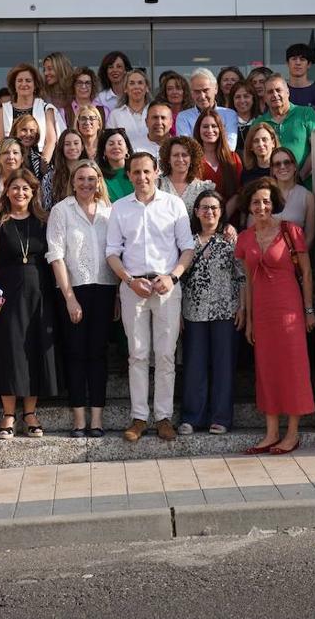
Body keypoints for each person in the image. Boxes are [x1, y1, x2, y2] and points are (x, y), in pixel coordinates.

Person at [106, 152, 195, 442]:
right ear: (129, 175)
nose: (142, 178)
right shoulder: (120, 208)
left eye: (147, 171)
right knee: (138, 355)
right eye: (136, 172)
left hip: (167, 285)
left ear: (156, 172)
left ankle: (164, 417)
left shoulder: (173, 204)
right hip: (134, 287)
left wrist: (173, 276)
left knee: (167, 355)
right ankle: (139, 417)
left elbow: (187, 249)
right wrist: (130, 281)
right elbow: (112, 253)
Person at [235, 178, 315, 454]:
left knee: (292, 367)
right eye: (256, 202)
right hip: (262, 310)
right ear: (249, 205)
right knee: (266, 369)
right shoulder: (245, 238)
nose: (261, 206)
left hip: (289, 307)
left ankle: (292, 433)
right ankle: (271, 433)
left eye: (266, 201)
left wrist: (308, 310)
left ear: (275, 204)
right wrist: (248, 317)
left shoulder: (290, 230)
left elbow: (306, 273)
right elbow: (246, 280)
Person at [0, 169, 59, 439]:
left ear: (33, 191)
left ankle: (30, 412)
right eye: (15, 188)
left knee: (34, 349)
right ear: (7, 191)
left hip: (40, 293)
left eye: (26, 188)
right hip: (9, 294)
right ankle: (8, 414)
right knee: (10, 352)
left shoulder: (44, 221)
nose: (20, 193)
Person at [46, 161, 118, 437]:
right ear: (73, 182)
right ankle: (79, 419)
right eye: (81, 179)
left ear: (99, 181)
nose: (87, 184)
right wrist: (69, 298)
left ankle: (97, 419)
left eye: (92, 178)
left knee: (98, 354)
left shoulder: (110, 213)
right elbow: (56, 255)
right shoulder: (61, 211)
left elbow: (116, 254)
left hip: (104, 289)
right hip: (72, 289)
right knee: (76, 353)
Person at [180, 190, 244, 436]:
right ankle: (192, 417)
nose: (209, 212)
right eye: (204, 207)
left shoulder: (229, 241)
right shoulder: (187, 242)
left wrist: (243, 307)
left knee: (223, 365)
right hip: (193, 312)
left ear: (221, 212)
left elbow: (241, 277)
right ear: (196, 212)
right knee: (194, 365)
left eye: (214, 208)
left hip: (225, 311)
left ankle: (220, 417)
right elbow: (180, 279)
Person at [0, 63, 62, 160]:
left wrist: (42, 169)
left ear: (35, 85)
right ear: (14, 85)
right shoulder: (3, 111)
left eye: (28, 80)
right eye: (19, 81)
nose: (24, 84)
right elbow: (1, 143)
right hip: (11, 163)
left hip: (41, 163)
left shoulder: (46, 109)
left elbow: (51, 141)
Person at [261, 75, 315, 184]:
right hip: (273, 189)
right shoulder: (260, 123)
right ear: (264, 97)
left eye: (278, 90)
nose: (275, 94)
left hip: (305, 185)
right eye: (270, 92)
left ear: (288, 92)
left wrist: (301, 176)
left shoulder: (306, 113)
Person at [176, 68, 240, 149]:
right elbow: (186, 148)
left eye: (205, 90)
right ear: (191, 93)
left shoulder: (229, 114)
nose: (202, 96)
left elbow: (230, 147)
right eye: (197, 91)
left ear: (215, 89)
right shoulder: (183, 117)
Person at [270, 146, 315, 248]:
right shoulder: (264, 194)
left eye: (287, 162)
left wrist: (297, 258)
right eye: (277, 164)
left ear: (295, 166)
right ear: (272, 170)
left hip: (295, 258)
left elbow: (309, 236)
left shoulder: (307, 197)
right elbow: (253, 229)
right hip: (265, 258)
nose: (282, 167)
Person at [158, 136, 213, 215]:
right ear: (168, 159)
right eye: (176, 155)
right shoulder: (156, 185)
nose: (180, 159)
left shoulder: (202, 188)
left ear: (192, 159)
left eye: (184, 155)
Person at [195, 109, 241, 200]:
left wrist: (225, 213)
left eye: (214, 126)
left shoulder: (233, 157)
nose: (210, 130)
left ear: (220, 129)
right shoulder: (192, 159)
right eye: (205, 126)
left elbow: (239, 191)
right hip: (203, 212)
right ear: (198, 130)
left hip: (231, 211)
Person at [286, 43, 315, 125]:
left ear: (309, 65)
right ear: (287, 63)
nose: (298, 63)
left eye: (302, 59)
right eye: (294, 59)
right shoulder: (278, 93)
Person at [106, 68, 152, 151]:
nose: (136, 87)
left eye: (140, 83)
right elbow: (109, 142)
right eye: (132, 83)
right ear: (125, 89)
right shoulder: (115, 115)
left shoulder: (155, 112)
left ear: (147, 88)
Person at [42, 128, 85, 210]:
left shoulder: (90, 173)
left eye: (76, 143)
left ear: (82, 147)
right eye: (67, 144)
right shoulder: (51, 177)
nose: (72, 147)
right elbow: (47, 209)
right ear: (62, 147)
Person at [97, 127, 134, 202]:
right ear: (104, 151)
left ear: (127, 149)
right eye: (111, 144)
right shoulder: (98, 176)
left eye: (120, 143)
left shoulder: (137, 171)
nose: (116, 147)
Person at [240, 121, 279, 187]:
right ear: (251, 146)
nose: (260, 144)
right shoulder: (246, 174)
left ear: (273, 143)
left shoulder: (282, 169)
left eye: (264, 139)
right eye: (256, 141)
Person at [229, 81, 262, 152]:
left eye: (246, 96)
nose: (242, 100)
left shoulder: (261, 121)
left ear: (253, 99)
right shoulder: (227, 123)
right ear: (232, 100)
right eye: (237, 97)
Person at [11, 114, 45, 178]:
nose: (28, 134)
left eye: (32, 131)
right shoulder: (2, 153)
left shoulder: (39, 159)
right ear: (15, 132)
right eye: (24, 130)